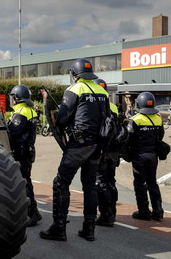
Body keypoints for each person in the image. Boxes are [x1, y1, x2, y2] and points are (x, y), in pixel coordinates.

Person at [40, 58, 109, 242]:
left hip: (78, 145)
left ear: (74, 74)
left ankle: (59, 228)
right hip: (96, 147)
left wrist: (58, 119)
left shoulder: (74, 90)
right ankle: (89, 229)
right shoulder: (102, 91)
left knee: (60, 182)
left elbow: (63, 118)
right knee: (89, 187)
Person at [126, 92, 166, 221]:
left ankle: (143, 212)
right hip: (153, 156)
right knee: (152, 183)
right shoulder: (158, 118)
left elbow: (128, 138)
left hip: (139, 156)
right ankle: (158, 211)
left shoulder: (135, 119)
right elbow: (160, 136)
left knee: (140, 184)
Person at [7, 84, 43, 226]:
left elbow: (14, 132)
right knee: (25, 180)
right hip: (27, 150)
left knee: (24, 182)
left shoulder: (21, 112)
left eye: (12, 98)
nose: (11, 100)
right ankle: (32, 212)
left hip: (21, 152)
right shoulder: (31, 110)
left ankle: (33, 213)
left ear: (17, 99)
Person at [94, 79, 123, 227]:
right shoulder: (113, 106)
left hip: (103, 150)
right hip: (114, 151)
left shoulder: (96, 106)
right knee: (111, 181)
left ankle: (106, 215)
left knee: (102, 182)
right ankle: (112, 211)